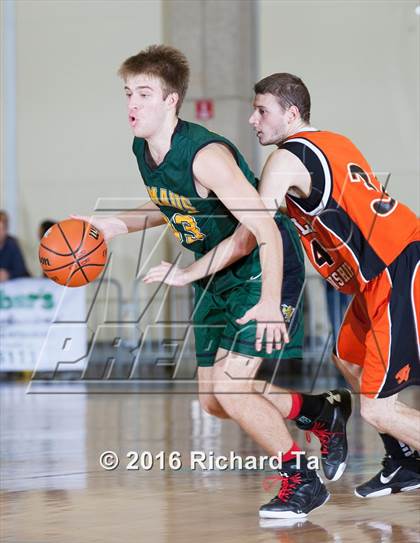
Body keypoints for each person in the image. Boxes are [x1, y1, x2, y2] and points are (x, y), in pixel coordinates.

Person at [76, 46, 352, 519]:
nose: (132, 105)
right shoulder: (144, 148)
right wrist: (111, 225)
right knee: (214, 400)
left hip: (263, 267)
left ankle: (300, 479)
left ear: (172, 101)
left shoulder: (207, 155)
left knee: (231, 389)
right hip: (218, 270)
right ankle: (320, 412)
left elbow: (263, 229)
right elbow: (172, 205)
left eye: (145, 93)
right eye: (128, 93)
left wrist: (268, 302)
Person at [146, 72, 420, 501]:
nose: (253, 120)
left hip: (398, 269)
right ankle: (403, 459)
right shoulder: (335, 141)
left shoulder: (285, 160)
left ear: (291, 113)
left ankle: (383, 452)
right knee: (349, 362)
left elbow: (248, 234)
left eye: (262, 111)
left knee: (379, 406)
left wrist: (188, 272)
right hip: (382, 272)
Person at [0, 210, 30, 281]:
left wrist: (9, 274)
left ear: (6, 229)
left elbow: (21, 269)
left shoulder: (12, 244)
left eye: (2, 229)